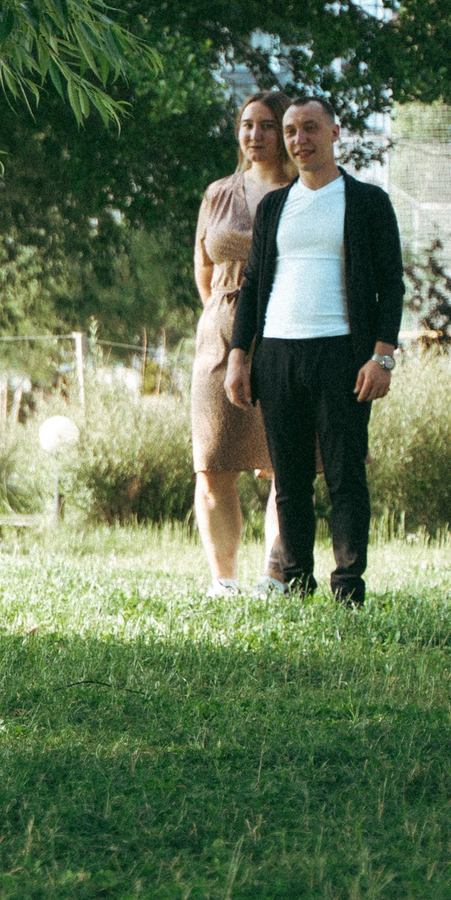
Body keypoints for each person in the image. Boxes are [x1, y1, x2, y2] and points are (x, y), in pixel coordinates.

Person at [224, 97, 403, 605]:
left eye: (310, 129)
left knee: (346, 476)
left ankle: (348, 588)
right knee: (290, 480)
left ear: (333, 133)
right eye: (292, 131)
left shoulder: (367, 201)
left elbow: (392, 284)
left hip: (343, 356)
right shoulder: (276, 206)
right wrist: (240, 354)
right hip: (278, 354)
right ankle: (297, 583)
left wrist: (382, 356)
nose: (300, 140)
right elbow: (255, 284)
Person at [189, 92, 296, 596]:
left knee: (284, 460)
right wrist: (228, 321)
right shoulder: (217, 193)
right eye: (247, 125)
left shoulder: (303, 190)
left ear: (286, 132)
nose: (255, 135)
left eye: (268, 125)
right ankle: (223, 582)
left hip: (287, 325)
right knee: (213, 461)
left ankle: (275, 577)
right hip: (222, 328)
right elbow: (204, 272)